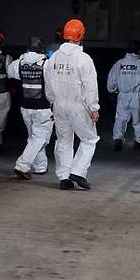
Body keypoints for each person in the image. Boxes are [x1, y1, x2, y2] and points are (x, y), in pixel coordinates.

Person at [44, 19, 100, 190]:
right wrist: (94, 108)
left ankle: (64, 177)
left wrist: (54, 101)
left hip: (59, 104)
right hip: (78, 105)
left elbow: (48, 84)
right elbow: (90, 86)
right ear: (81, 35)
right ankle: (78, 171)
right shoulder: (84, 59)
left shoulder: (53, 58)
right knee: (90, 139)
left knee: (63, 141)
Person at [8, 37, 53, 179]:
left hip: (25, 107)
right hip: (43, 107)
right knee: (40, 138)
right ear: (42, 50)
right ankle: (22, 165)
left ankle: (40, 167)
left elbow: (10, 73)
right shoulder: (47, 64)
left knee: (34, 137)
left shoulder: (17, 64)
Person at [107, 40, 140, 151]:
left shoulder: (119, 64)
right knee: (139, 120)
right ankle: (138, 141)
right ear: (139, 50)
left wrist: (112, 91)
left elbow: (111, 80)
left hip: (123, 95)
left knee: (120, 119)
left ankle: (118, 139)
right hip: (137, 96)